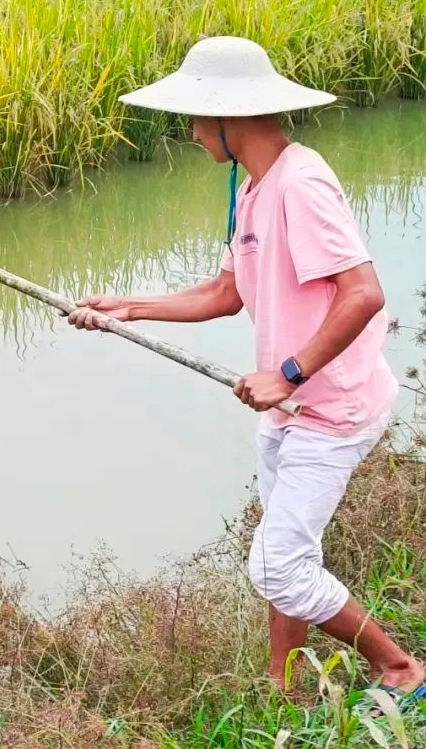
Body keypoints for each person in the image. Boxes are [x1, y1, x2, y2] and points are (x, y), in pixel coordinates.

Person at [67, 36, 425, 700]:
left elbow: (364, 293)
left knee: (278, 565)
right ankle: (284, 683)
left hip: (330, 406)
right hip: (289, 406)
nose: (192, 133)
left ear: (229, 118)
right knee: (287, 555)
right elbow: (224, 293)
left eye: (196, 119)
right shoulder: (255, 187)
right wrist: (127, 308)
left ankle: (400, 667)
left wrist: (288, 372)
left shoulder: (300, 183)